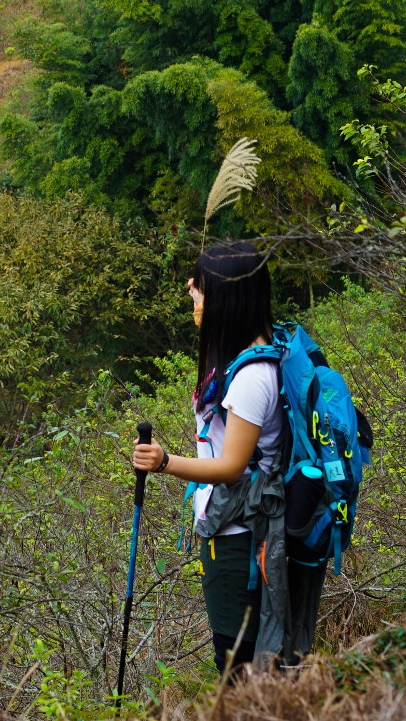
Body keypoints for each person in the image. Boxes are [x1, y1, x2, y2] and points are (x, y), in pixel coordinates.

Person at [132, 239, 321, 681]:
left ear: (226, 296)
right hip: (234, 532)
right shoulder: (247, 354)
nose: (190, 289)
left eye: (200, 284)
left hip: (240, 540)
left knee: (238, 667)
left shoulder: (252, 377)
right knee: (247, 663)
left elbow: (232, 466)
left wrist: (163, 462)